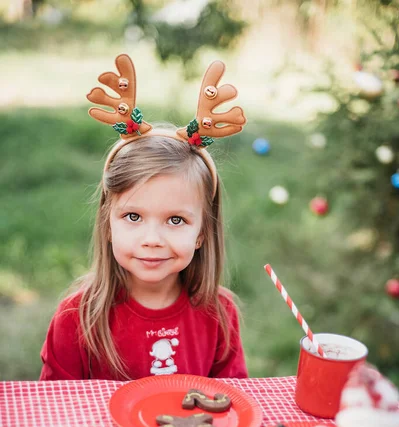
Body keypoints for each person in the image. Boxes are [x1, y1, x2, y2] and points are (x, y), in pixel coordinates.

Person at [39, 54, 248, 381]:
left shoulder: (219, 314)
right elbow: (54, 409)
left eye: (176, 220)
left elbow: (232, 402)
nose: (152, 239)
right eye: (133, 216)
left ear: (203, 233)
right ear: (108, 223)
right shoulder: (75, 318)